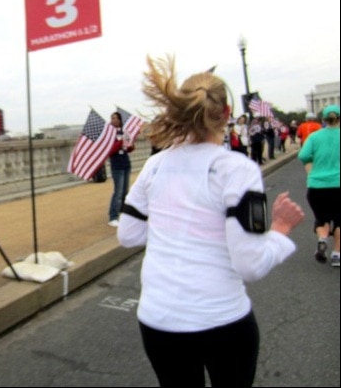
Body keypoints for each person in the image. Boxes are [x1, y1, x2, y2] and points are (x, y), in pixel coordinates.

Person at [117, 55, 304, 387]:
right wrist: (280, 230)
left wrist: (173, 229)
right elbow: (250, 265)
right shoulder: (237, 169)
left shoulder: (155, 165)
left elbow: (128, 235)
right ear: (227, 113)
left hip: (158, 320)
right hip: (221, 319)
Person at [297, 104, 340, 267]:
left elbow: (303, 155)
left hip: (317, 185)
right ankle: (337, 254)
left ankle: (322, 238)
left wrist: (312, 166)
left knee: (322, 217)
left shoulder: (314, 137)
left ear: (324, 120)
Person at [107, 112, 134, 227]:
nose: (113, 120)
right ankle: (113, 216)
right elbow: (110, 150)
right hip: (116, 165)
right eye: (112, 118)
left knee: (125, 191)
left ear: (120, 120)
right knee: (118, 192)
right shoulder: (109, 134)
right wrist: (120, 142)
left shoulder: (124, 132)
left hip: (125, 163)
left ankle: (123, 213)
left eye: (115, 118)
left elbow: (129, 148)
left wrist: (130, 144)